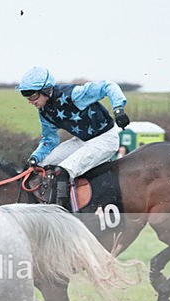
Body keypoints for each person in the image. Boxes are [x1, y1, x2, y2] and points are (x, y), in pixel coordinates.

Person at [17, 66, 130, 208]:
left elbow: (108, 86)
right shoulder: (44, 112)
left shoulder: (74, 95)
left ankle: (62, 213)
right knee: (42, 166)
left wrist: (118, 109)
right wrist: (35, 158)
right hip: (82, 141)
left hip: (105, 139)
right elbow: (49, 140)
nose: (31, 101)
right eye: (27, 97)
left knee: (63, 171)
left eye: (33, 96)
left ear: (46, 90)